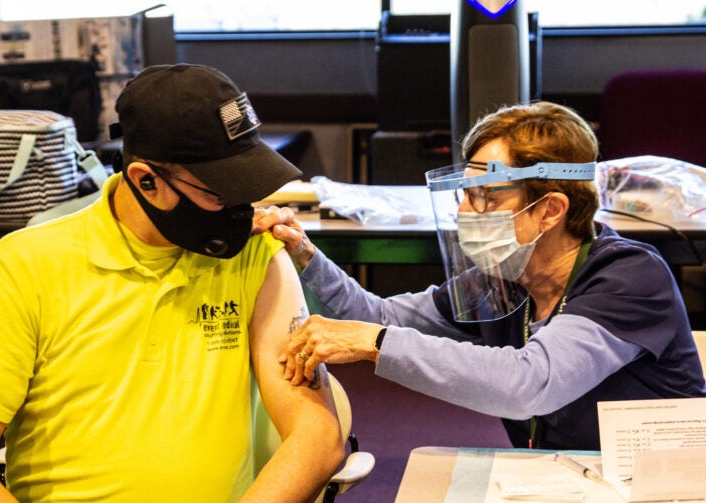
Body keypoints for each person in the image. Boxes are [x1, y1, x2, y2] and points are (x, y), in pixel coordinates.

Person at [0, 64, 344, 503]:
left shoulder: (253, 255)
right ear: (146, 180)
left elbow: (317, 437)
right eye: (219, 193)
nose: (241, 209)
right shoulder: (24, 266)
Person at [253, 101, 706, 451]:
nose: (465, 213)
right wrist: (306, 255)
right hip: (563, 478)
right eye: (464, 196)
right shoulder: (502, 282)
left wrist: (373, 343)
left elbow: (530, 385)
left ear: (550, 210)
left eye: (485, 197)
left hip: (657, 487)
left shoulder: (628, 277)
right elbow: (379, 315)